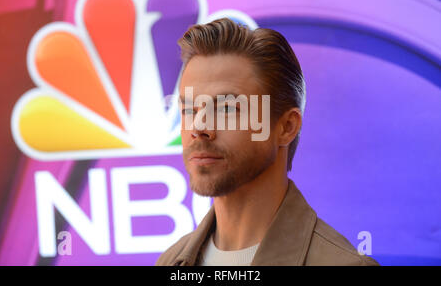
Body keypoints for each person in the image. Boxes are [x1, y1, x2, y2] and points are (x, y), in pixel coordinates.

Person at [155, 18, 379, 266]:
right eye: (189, 110)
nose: (198, 127)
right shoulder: (170, 262)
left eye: (227, 108)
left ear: (287, 127)